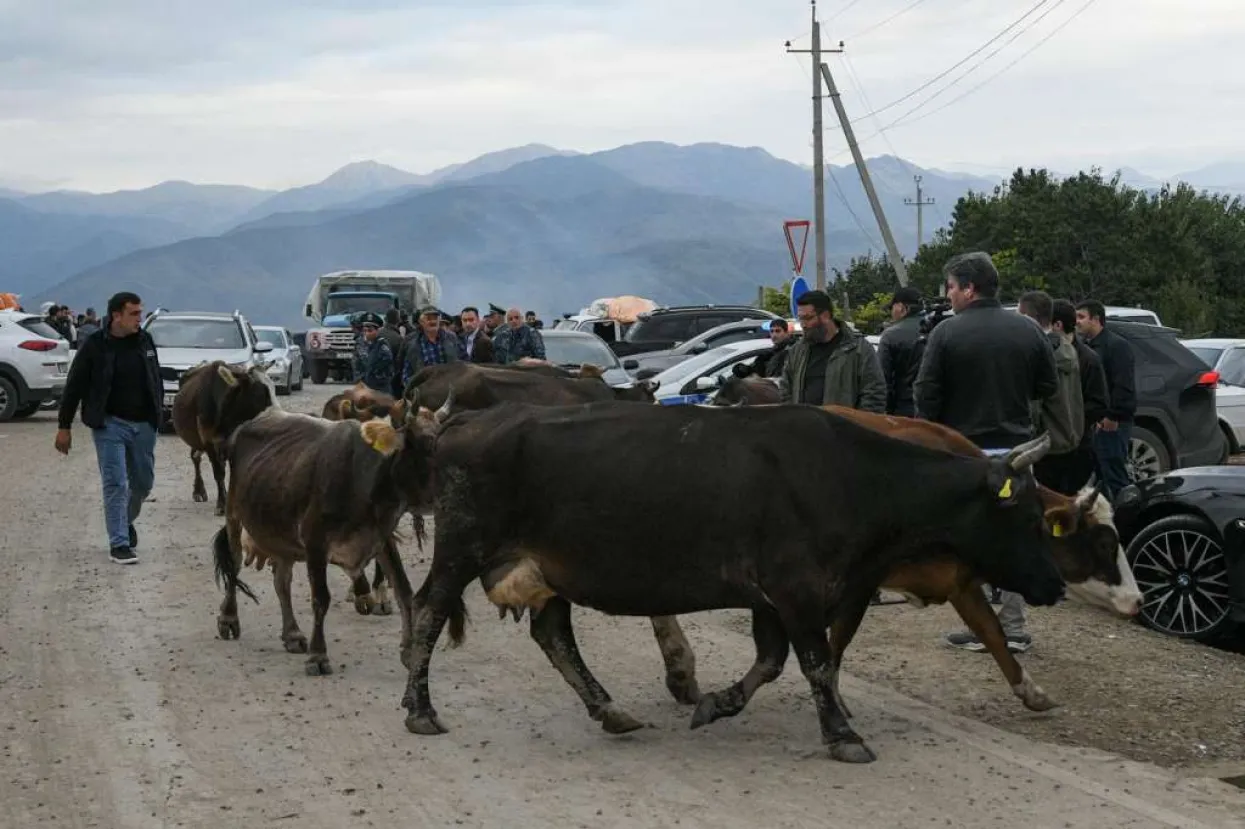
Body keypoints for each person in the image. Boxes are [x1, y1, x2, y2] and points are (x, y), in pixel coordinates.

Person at [913, 252, 1057, 654]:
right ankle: (1012, 625)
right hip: (1017, 451)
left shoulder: (946, 333)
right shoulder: (1028, 330)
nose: (950, 295)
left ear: (969, 289)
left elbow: (926, 392)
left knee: (969, 540)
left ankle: (983, 627)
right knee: (1015, 535)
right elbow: (1048, 387)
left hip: (965, 454)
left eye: (952, 287)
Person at [55, 291, 162, 565]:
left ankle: (124, 521)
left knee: (142, 483)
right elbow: (75, 385)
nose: (140, 318)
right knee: (115, 482)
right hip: (109, 424)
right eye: (134, 314)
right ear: (116, 315)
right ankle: (119, 544)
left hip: (144, 425)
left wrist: (157, 416)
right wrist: (64, 426)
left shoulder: (145, 341)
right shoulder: (95, 346)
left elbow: (155, 379)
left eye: (141, 313)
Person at [1017, 291, 1084, 495]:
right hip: (1070, 437)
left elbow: (1035, 405)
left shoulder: (1039, 353)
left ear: (1028, 317)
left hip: (1046, 444)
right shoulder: (1066, 347)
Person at [779, 290, 885, 412]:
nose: (803, 324)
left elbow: (874, 393)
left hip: (843, 428)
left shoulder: (858, 349)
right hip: (804, 427)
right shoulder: (797, 351)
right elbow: (785, 389)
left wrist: (858, 426)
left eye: (808, 318)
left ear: (825, 316)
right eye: (801, 319)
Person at [1075, 300, 1137, 502]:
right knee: (1099, 476)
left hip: (1112, 422)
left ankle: (1129, 517)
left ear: (1096, 319)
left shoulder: (1116, 346)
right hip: (1095, 422)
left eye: (1081, 317)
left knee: (1114, 473)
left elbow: (1122, 385)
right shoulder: (1086, 346)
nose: (1077, 322)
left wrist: (1113, 415)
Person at [1053, 299, 1109, 493]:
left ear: (1057, 325)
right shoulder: (1047, 354)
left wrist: (1070, 416)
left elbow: (1099, 404)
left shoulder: (1088, 359)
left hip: (1078, 446)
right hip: (1052, 447)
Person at [877, 286, 924, 416]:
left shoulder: (891, 335)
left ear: (901, 308)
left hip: (904, 410)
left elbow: (882, 380)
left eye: (892, 308)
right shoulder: (940, 328)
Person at [399, 306, 460, 387]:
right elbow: (406, 376)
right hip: (426, 394)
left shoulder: (452, 339)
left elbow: (464, 363)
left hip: (451, 390)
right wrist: (416, 390)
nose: (433, 321)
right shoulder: (413, 346)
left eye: (435, 318)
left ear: (439, 320)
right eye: (429, 318)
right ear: (421, 322)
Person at [354, 312, 395, 394]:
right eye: (364, 330)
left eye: (370, 331)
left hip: (380, 387)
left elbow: (386, 363)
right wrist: (359, 379)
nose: (367, 333)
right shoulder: (360, 344)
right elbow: (356, 363)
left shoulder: (382, 345)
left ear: (377, 330)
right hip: (363, 386)